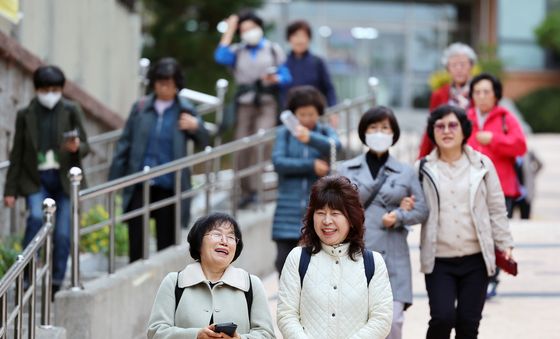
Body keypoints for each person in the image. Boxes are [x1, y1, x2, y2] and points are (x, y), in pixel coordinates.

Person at [418, 105, 514, 339]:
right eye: (439, 126)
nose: (446, 131)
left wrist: (505, 244)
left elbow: (496, 208)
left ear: (464, 130)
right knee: (442, 318)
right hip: (439, 260)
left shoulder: (482, 165)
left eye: (453, 125)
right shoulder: (422, 168)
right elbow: (413, 208)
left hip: (476, 259)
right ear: (433, 132)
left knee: (468, 325)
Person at [338, 106, 429, 339]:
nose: (379, 133)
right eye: (373, 127)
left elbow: (422, 209)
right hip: (355, 255)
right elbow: (333, 207)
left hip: (393, 258)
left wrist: (399, 216)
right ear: (364, 132)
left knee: (394, 322)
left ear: (394, 133)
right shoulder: (345, 169)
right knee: (357, 324)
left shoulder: (406, 172)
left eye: (385, 128)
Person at [108, 57, 209, 263]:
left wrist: (196, 126)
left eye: (169, 83)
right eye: (160, 82)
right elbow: (125, 143)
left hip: (169, 184)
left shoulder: (185, 109)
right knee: (136, 234)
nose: (164, 87)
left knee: (167, 241)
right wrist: (115, 179)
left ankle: (166, 284)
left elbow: (205, 141)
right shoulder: (141, 107)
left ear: (177, 85)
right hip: (140, 180)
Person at [3, 65, 90, 297]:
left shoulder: (71, 110)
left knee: (62, 233)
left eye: (54, 89)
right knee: (34, 219)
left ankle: (56, 281)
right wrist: (9, 190)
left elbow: (87, 145)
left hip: (64, 181)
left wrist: (77, 147)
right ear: (37, 89)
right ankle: (27, 276)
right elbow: (17, 154)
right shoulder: (25, 114)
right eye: (45, 89)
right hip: (36, 179)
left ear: (61, 89)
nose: (50, 94)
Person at [277, 175, 393, 339]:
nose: (326, 221)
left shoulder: (373, 263)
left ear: (351, 219)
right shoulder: (297, 259)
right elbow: (286, 315)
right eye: (321, 213)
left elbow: (381, 319)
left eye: (335, 213)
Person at [147, 212, 275, 339]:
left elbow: (267, 335)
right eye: (217, 234)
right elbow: (155, 332)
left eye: (231, 237)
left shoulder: (251, 284)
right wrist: (195, 336)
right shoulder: (174, 282)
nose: (224, 241)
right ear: (199, 242)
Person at [215, 11, 292, 208]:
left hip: (267, 101)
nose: (248, 32)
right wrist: (231, 28)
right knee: (242, 145)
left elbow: (286, 75)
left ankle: (257, 189)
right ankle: (244, 191)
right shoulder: (237, 51)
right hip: (245, 103)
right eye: (244, 29)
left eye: (251, 28)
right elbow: (220, 56)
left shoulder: (273, 49)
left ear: (259, 28)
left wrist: (276, 79)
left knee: (261, 141)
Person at [466, 72, 526, 298]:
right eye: (477, 92)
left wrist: (494, 139)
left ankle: (492, 277)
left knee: (495, 234)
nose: (481, 96)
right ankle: (478, 277)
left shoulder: (505, 118)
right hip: (471, 188)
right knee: (475, 233)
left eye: (486, 92)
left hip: (502, 188)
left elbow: (520, 146)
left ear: (496, 95)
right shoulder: (465, 118)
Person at [271, 86, 341, 275]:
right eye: (302, 114)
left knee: (315, 264)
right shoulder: (284, 133)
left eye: (311, 114)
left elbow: (336, 146)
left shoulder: (325, 132)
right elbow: (278, 162)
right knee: (283, 262)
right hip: (287, 207)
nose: (307, 119)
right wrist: (310, 165)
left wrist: (310, 138)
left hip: (316, 207)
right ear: (293, 115)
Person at [418, 42, 477, 158]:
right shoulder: (439, 94)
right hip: (445, 152)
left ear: (471, 66)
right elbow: (431, 127)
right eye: (454, 65)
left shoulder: (479, 92)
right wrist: (421, 158)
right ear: (448, 69)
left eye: (463, 64)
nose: (459, 69)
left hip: (474, 152)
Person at [282, 20, 337, 108]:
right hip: (289, 113)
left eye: (303, 36)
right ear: (289, 38)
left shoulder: (318, 62)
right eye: (295, 35)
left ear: (309, 38)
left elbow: (329, 88)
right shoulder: (282, 62)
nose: (300, 40)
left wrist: (333, 109)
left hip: (314, 112)